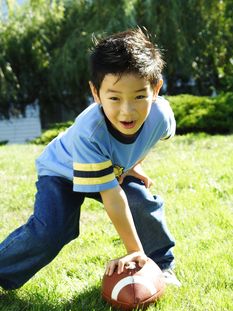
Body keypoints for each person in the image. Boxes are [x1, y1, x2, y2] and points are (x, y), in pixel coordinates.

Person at [0, 28, 181, 291]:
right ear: (96, 93)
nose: (127, 110)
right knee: (52, 231)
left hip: (109, 169)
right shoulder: (90, 130)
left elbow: (148, 140)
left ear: (156, 89)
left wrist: (133, 165)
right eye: (114, 98)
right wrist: (134, 251)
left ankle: (162, 267)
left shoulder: (160, 115)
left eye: (139, 96)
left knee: (141, 202)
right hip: (62, 172)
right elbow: (112, 196)